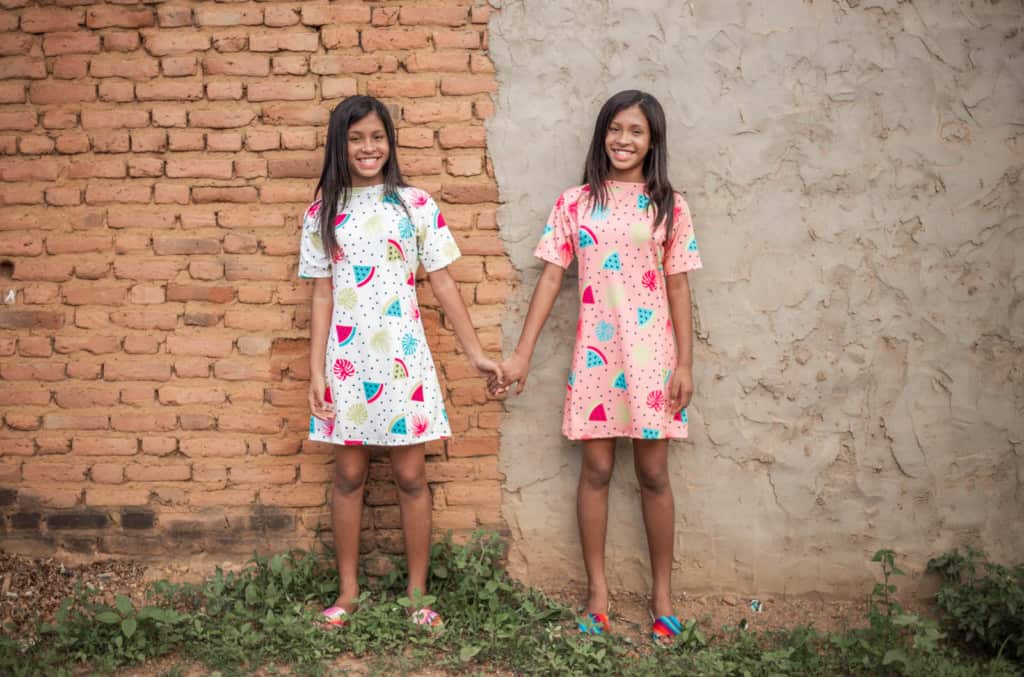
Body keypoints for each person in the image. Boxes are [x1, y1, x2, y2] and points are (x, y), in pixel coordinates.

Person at [495, 90, 703, 640]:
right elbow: (548, 279)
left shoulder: (670, 205)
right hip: (596, 355)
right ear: (601, 134)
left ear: (652, 140)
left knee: (654, 474)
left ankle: (663, 598)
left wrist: (685, 363)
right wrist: (521, 354)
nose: (623, 140)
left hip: (653, 357)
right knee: (597, 471)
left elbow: (678, 285)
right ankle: (598, 597)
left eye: (635, 131)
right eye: (615, 128)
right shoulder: (576, 202)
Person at [300, 95, 503, 629]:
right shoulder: (323, 211)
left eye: (377, 137)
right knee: (348, 474)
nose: (368, 148)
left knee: (411, 474)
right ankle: (347, 591)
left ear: (390, 142)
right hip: (346, 361)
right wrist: (316, 369)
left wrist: (476, 353)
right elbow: (322, 294)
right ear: (339, 145)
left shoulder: (415, 205)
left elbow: (442, 281)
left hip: (402, 361)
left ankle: (417, 594)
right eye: (356, 138)